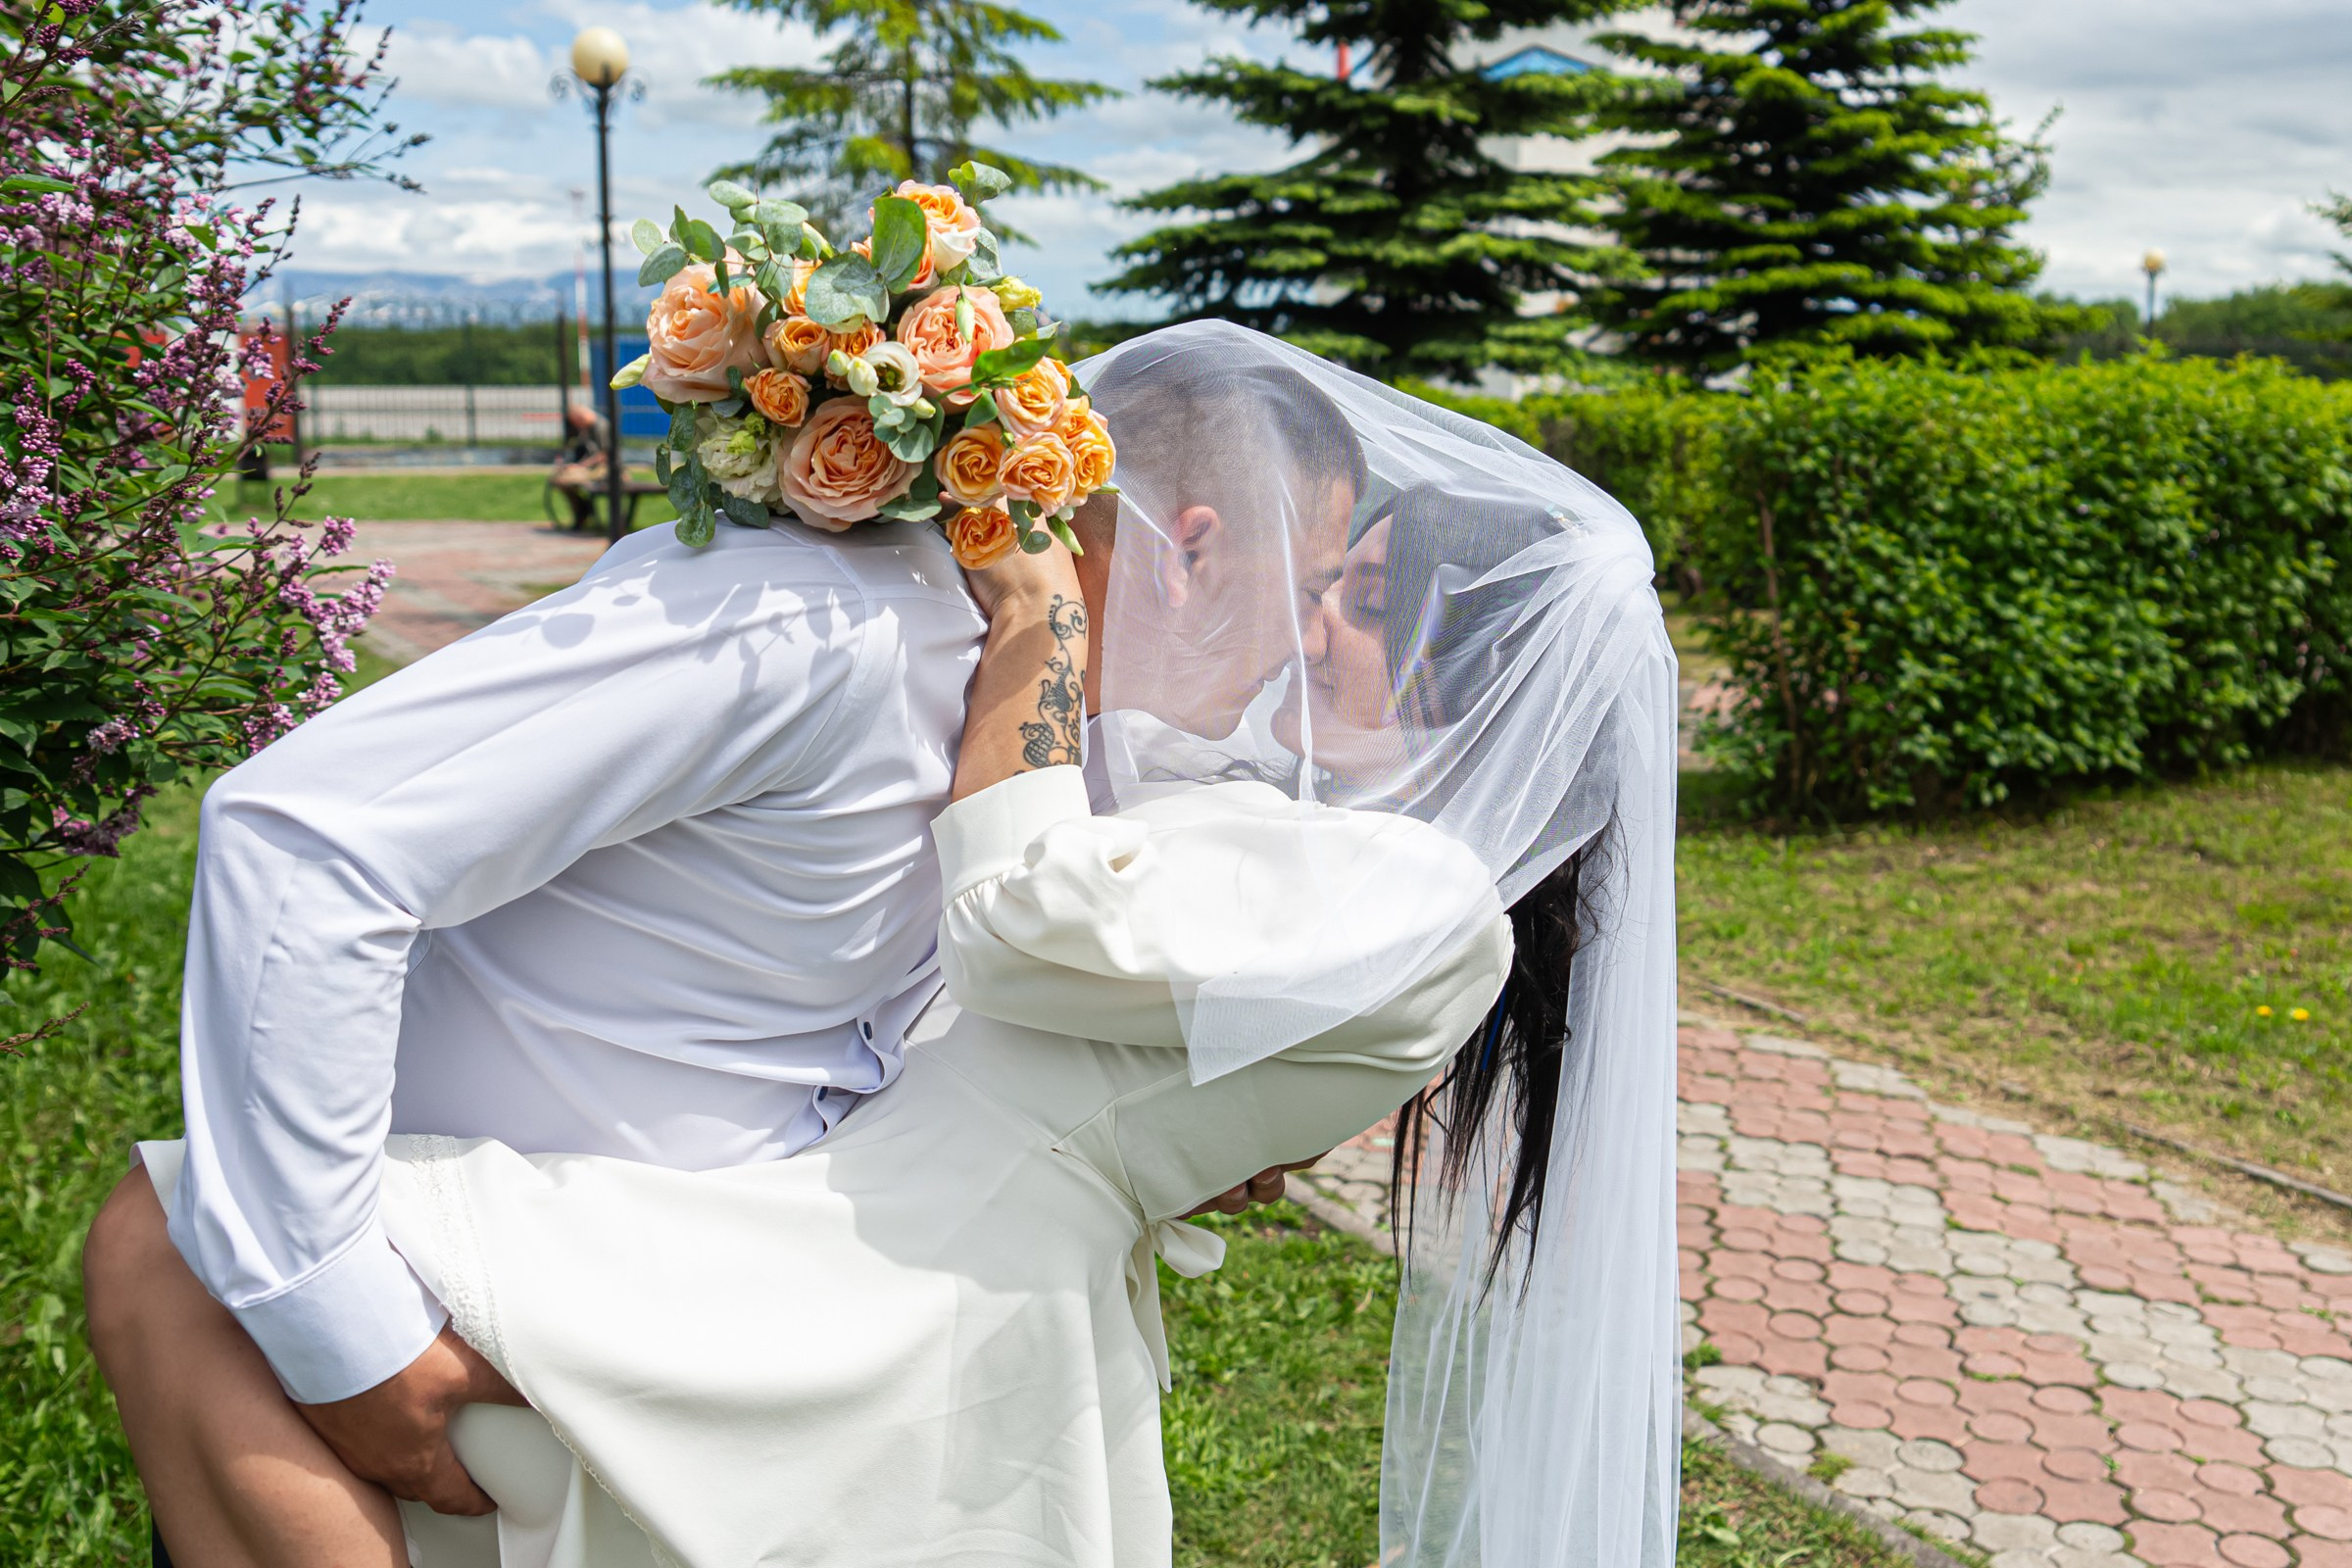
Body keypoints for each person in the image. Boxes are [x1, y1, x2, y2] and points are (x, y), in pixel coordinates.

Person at [126, 321, 1678, 1568]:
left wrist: (1038, 638)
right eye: (1309, 590)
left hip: (877, 1301)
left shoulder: (1367, 878)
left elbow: (1023, 922)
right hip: (785, 1263)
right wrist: (342, 1332)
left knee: (161, 1251)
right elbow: (308, 837)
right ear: (1197, 545)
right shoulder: (836, 635)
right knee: (187, 1255)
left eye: (1349, 604)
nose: (1294, 649)